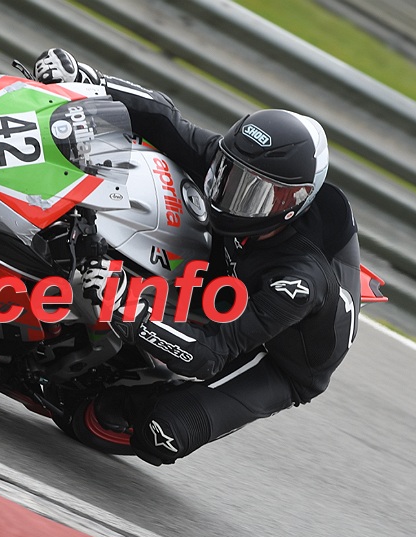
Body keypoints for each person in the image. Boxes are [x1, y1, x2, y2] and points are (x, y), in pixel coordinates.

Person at [34, 48, 363, 465]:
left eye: (252, 195)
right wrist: (87, 77)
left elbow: (213, 354)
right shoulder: (239, 171)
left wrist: (125, 306)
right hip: (229, 273)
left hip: (274, 355)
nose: (229, 197)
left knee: (163, 433)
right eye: (229, 174)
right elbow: (165, 120)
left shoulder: (299, 279)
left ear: (292, 202)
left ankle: (136, 388)